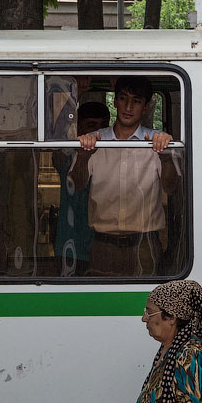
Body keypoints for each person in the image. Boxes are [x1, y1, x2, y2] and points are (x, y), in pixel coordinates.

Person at [70, 76, 178, 276]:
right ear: (115, 100)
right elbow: (76, 185)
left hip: (144, 244)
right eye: (123, 98)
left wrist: (166, 158)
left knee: (145, 304)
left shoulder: (157, 141)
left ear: (145, 106)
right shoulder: (95, 140)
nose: (128, 107)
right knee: (102, 305)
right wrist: (83, 158)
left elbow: (172, 188)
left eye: (136, 101)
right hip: (102, 244)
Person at [54, 100, 110, 275]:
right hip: (71, 243)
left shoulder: (114, 152)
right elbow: (56, 138)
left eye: (103, 126)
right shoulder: (68, 153)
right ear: (78, 128)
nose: (98, 131)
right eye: (91, 126)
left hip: (104, 245)